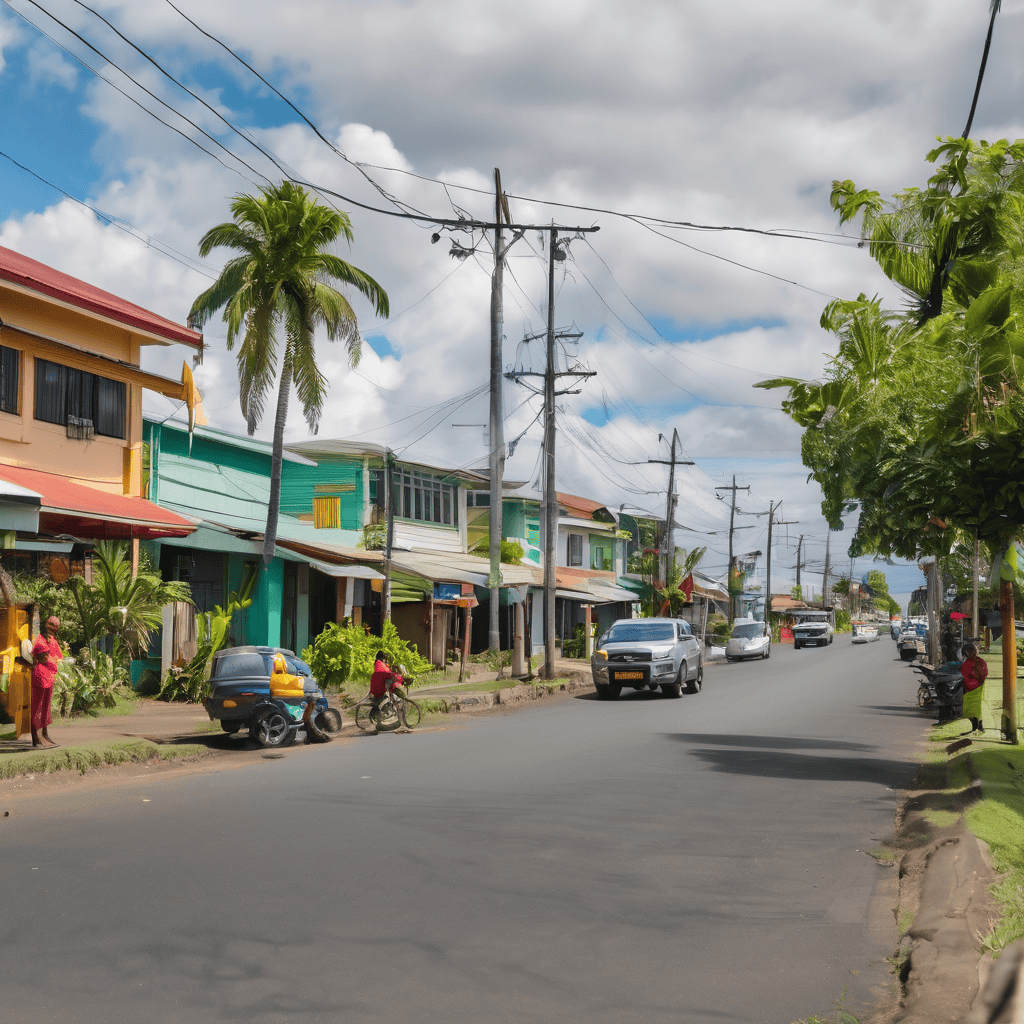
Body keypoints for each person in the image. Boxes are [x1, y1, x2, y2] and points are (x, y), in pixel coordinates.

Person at [31, 616, 63, 748]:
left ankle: (44, 735)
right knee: (37, 707)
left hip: (49, 678)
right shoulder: (40, 638)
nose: (53, 627)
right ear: (46, 624)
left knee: (45, 708)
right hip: (40, 675)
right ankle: (36, 738)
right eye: (51, 624)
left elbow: (58, 657)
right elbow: (42, 657)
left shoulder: (53, 640)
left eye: (56, 625)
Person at [960, 642, 989, 734]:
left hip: (970, 687)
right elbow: (985, 673)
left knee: (970, 708)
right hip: (978, 686)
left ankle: (976, 728)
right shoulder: (980, 661)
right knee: (977, 708)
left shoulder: (969, 662)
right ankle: (979, 728)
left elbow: (964, 674)